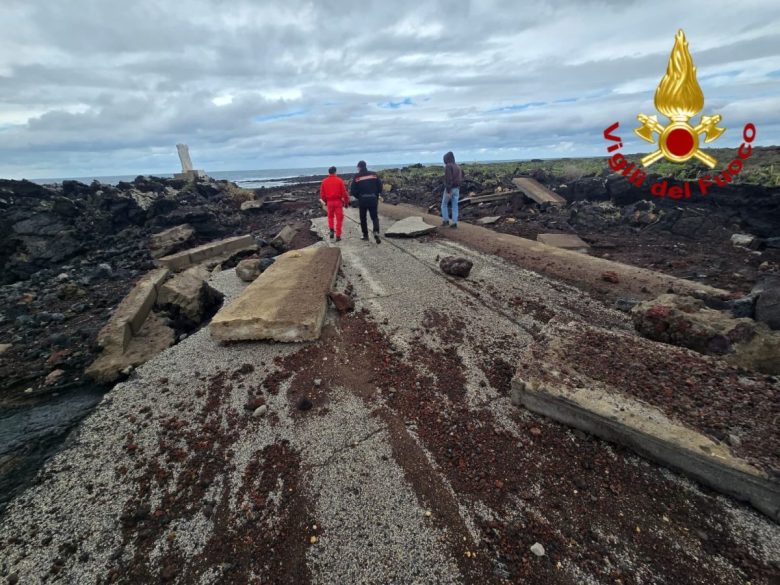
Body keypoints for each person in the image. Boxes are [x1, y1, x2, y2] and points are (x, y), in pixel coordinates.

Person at [349, 160, 382, 243]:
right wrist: (376, 194)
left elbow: (353, 190)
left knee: (363, 218)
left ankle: (365, 235)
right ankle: (376, 232)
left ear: (359, 167)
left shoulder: (357, 176)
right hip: (373, 198)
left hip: (363, 200)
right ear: (365, 166)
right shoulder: (374, 174)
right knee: (374, 217)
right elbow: (380, 186)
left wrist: (359, 196)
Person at [320, 166, 350, 241]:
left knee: (330, 217)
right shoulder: (339, 180)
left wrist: (326, 201)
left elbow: (322, 194)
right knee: (339, 219)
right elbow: (344, 193)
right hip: (338, 202)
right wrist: (346, 202)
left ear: (329, 172)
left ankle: (331, 230)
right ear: (335, 172)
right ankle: (338, 236)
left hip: (329, 202)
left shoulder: (324, 181)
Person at [441, 151, 463, 228]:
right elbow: (460, 178)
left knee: (444, 204)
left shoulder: (448, 166)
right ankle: (454, 223)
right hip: (457, 189)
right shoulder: (457, 166)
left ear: (447, 158)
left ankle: (446, 221)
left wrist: (448, 191)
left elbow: (448, 179)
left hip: (451, 189)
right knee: (455, 206)